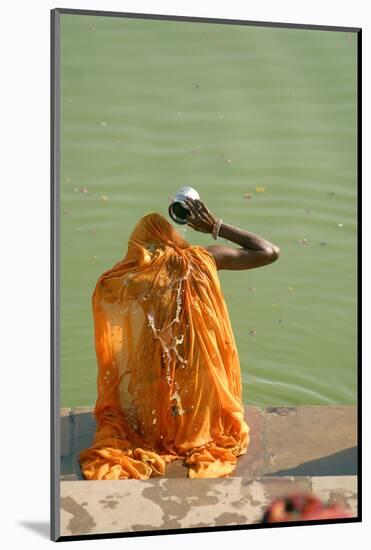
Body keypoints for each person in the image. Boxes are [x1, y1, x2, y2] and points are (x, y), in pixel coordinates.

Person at [78, 198, 280, 480]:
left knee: (148, 417)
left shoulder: (132, 276)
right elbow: (269, 252)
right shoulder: (204, 258)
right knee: (199, 412)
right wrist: (215, 226)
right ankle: (193, 435)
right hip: (199, 361)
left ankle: (161, 435)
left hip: (153, 363)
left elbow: (105, 290)